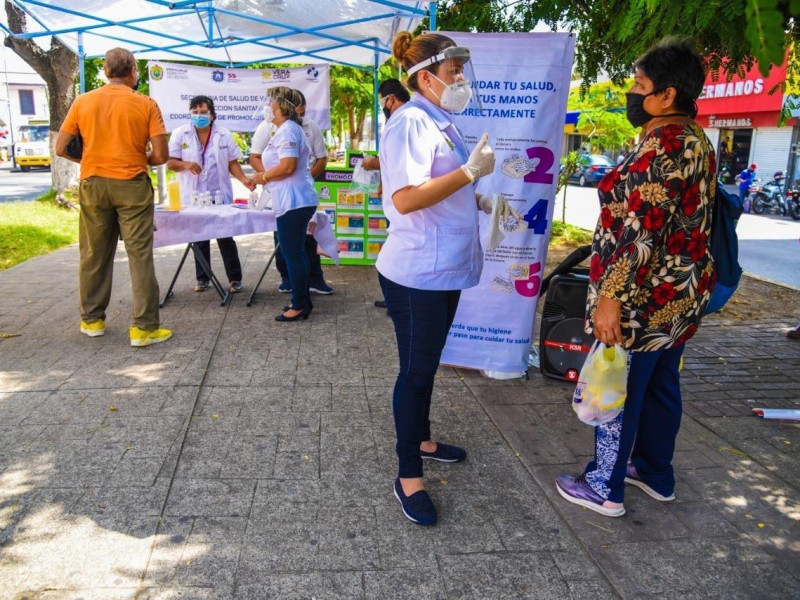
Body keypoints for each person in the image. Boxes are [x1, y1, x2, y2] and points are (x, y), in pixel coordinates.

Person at [555, 38, 717, 517]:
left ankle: (605, 487)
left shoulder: (664, 146)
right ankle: (654, 472)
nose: (632, 93)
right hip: (680, 296)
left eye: (639, 86)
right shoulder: (695, 138)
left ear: (667, 95)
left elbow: (640, 232)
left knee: (619, 387)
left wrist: (611, 300)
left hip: (642, 300)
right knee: (663, 384)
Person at [379, 31, 517, 526]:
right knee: (415, 373)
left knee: (426, 364)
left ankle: (423, 438)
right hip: (418, 272)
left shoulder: (441, 120)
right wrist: (467, 177)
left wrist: (477, 198)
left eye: (460, 71)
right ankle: (407, 474)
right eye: (455, 72)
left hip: (440, 268)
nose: (461, 80)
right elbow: (405, 198)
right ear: (426, 76)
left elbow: (440, 187)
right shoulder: (410, 122)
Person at [56, 47, 172, 348]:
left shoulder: (83, 101)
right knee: (140, 255)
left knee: (94, 253)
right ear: (133, 70)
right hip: (132, 183)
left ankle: (92, 320)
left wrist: (93, 157)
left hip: (93, 183)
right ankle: (144, 328)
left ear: (106, 72)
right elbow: (161, 155)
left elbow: (61, 147)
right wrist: (139, 156)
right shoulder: (146, 103)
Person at [166, 95, 255, 294]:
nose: (199, 116)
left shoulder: (223, 134)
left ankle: (235, 279)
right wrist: (186, 164)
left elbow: (233, 162)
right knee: (199, 236)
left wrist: (244, 180)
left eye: (203, 112)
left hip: (219, 193)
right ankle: (203, 278)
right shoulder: (180, 134)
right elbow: (171, 162)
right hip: (194, 195)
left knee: (225, 236)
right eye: (195, 112)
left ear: (212, 115)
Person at [250, 91, 334, 295]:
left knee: (295, 252)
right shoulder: (280, 128)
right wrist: (268, 177)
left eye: (271, 103)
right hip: (288, 196)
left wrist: (264, 177)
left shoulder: (289, 130)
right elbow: (259, 158)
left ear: (281, 107)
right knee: (291, 250)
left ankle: (300, 302)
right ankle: (297, 292)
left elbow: (288, 167)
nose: (268, 106)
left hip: (294, 198)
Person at [362, 78, 411, 308]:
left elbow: (397, 160)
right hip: (399, 201)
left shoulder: (402, 121)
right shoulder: (405, 118)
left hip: (406, 204)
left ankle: (396, 301)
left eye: (382, 102)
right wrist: (383, 183)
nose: (383, 107)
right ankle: (394, 300)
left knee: (391, 257)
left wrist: (373, 163)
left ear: (390, 100)